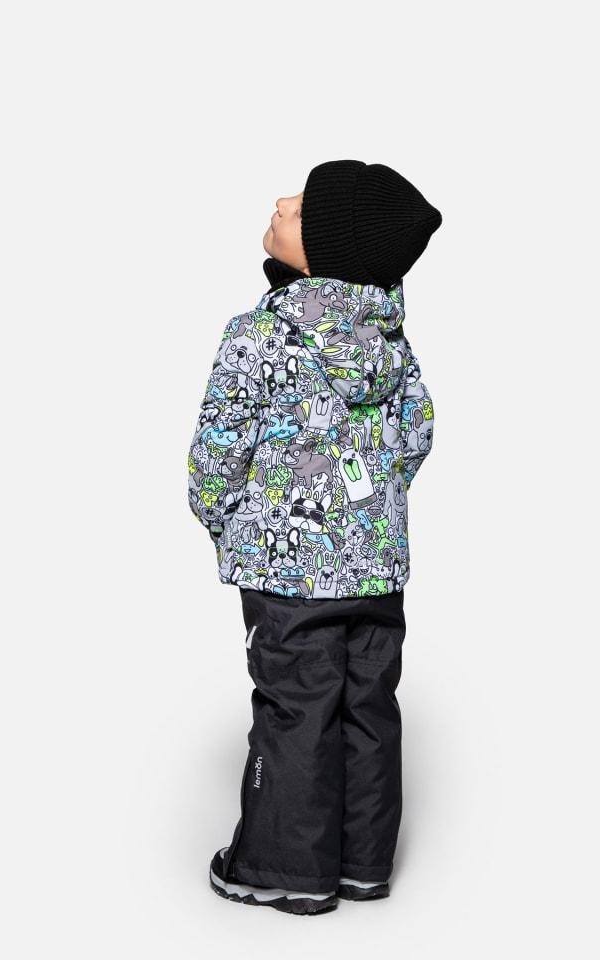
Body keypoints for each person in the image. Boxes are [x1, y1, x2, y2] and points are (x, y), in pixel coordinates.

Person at [187, 159, 441, 914]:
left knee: (296, 709)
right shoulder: (389, 341)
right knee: (368, 709)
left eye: (302, 207)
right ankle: (363, 864)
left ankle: (281, 870)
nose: (281, 201)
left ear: (324, 252)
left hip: (288, 574)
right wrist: (372, 515)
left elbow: (219, 451)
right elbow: (416, 434)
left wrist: (225, 521)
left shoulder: (260, 335)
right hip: (376, 570)